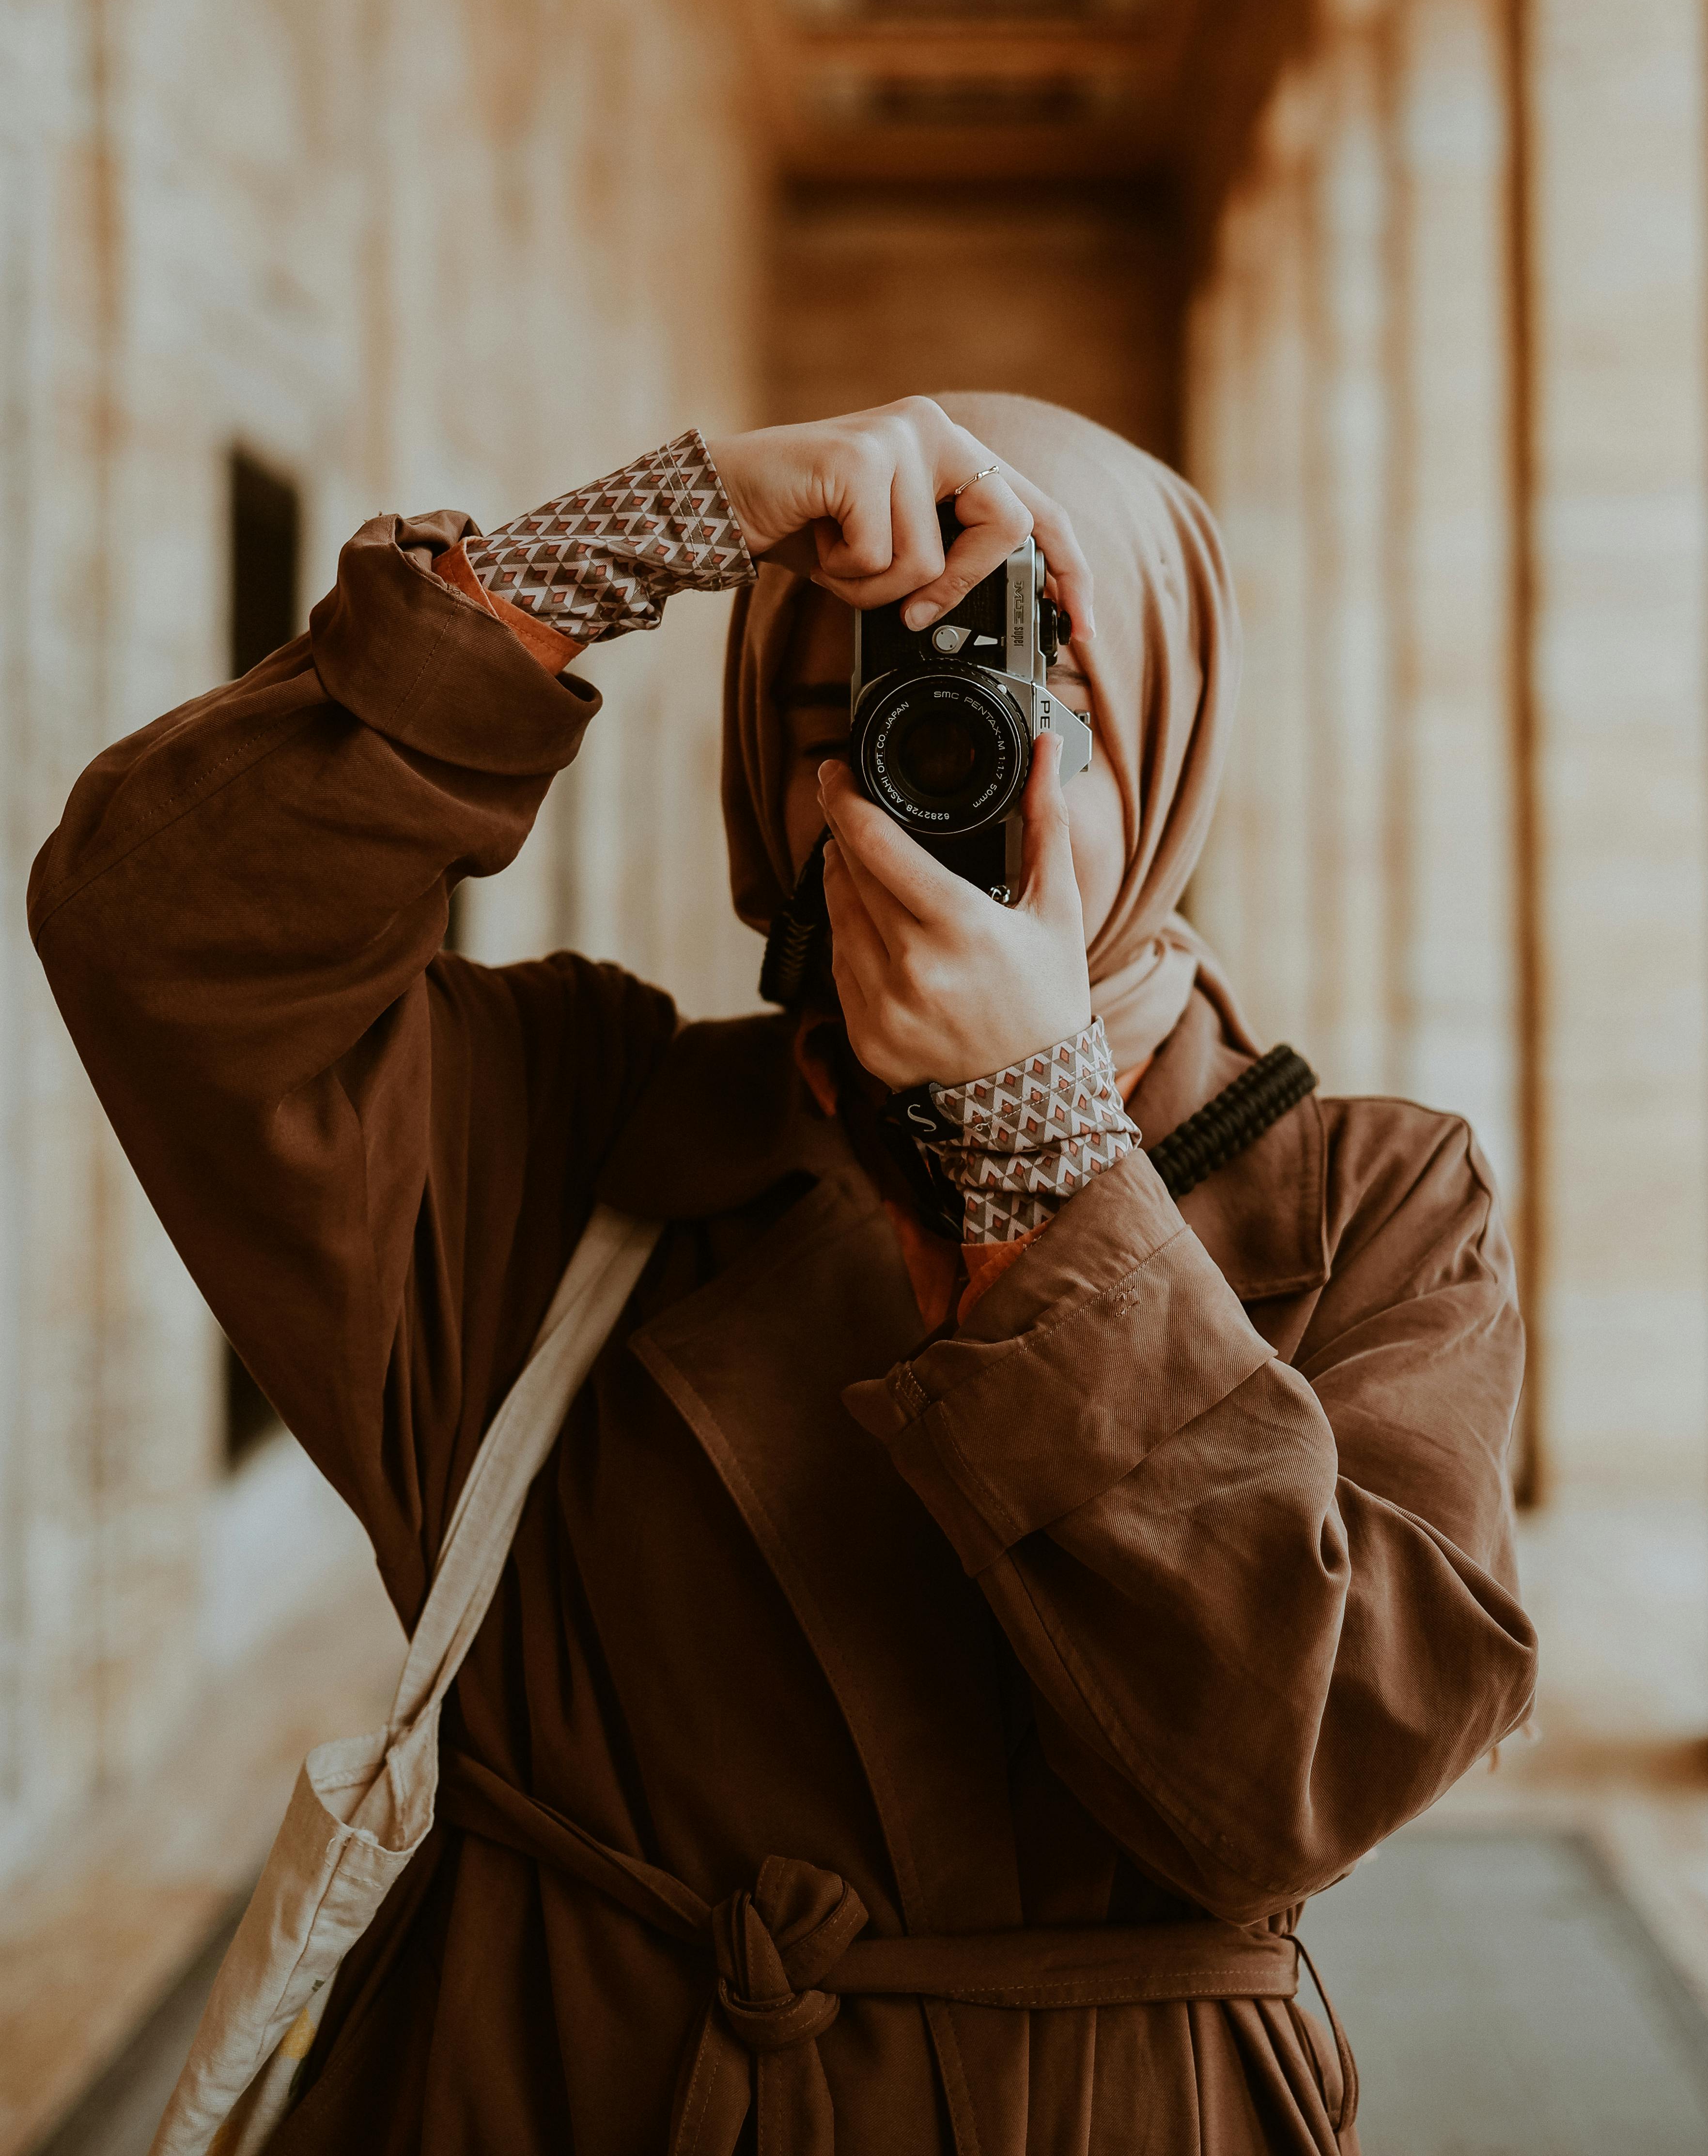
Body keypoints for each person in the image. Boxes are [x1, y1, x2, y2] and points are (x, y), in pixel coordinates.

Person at [29, 393, 1535, 2156]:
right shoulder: (575, 1125)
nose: (941, 782)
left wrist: (1037, 1140)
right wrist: (633, 535)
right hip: (549, 2079)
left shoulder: (1373, 1198)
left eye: (1032, 715)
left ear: (1171, 747)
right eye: (858, 720)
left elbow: (1310, 1763)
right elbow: (159, 927)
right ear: (765, 768)